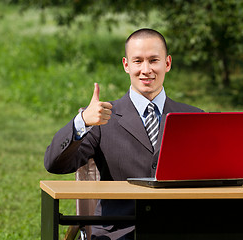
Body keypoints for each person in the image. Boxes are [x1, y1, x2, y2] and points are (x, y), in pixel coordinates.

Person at [44, 28, 203, 240]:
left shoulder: (195, 117)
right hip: (119, 233)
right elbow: (54, 164)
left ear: (168, 63)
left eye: (154, 60)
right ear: (126, 65)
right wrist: (81, 122)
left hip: (181, 230)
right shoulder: (101, 118)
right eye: (138, 61)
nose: (146, 69)